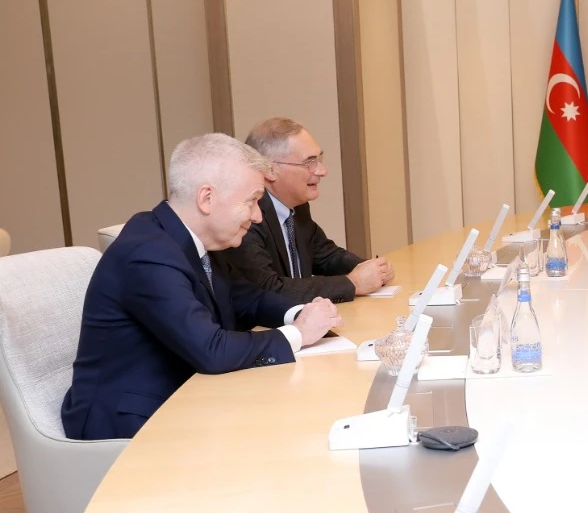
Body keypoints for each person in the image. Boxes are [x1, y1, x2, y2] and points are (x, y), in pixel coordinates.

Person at [61, 134, 341, 440]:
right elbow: (211, 350)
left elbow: (249, 299)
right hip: (130, 420)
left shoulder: (191, 239)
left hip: (185, 396)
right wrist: (298, 334)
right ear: (206, 198)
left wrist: (303, 313)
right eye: (252, 201)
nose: (258, 216)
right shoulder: (148, 252)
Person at [215, 117, 393, 304]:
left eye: (319, 159)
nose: (322, 171)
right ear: (270, 170)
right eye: (310, 162)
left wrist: (372, 268)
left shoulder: (297, 207)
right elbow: (269, 289)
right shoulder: (249, 216)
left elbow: (326, 256)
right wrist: (353, 283)